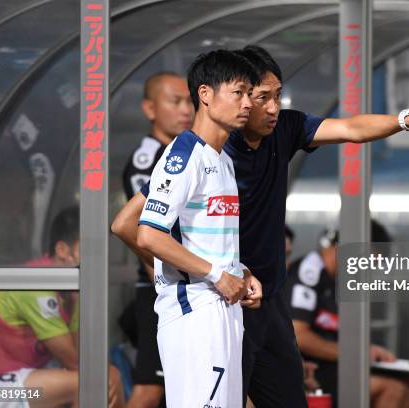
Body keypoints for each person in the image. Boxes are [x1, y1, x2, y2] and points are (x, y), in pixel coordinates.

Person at [111, 45, 409, 407]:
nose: (267, 106)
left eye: (272, 95)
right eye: (254, 95)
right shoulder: (199, 151)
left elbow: (351, 128)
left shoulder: (265, 138)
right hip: (213, 301)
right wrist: (187, 275)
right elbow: (131, 224)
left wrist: (407, 118)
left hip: (261, 295)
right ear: (213, 96)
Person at [134, 49, 262, 407]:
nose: (248, 102)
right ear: (205, 94)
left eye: (250, 93)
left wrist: (241, 273)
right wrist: (216, 274)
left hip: (223, 308)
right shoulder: (185, 152)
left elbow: (212, 244)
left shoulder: (222, 159)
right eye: (238, 92)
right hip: (196, 312)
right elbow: (148, 233)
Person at [0, 207, 124, 408]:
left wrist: (109, 372)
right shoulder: (37, 282)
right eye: (87, 248)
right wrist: (109, 372)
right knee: (86, 384)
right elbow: (74, 362)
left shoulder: (70, 289)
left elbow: (82, 352)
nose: (96, 256)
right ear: (62, 250)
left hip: (19, 379)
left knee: (100, 381)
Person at [121, 71, 194, 408]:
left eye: (190, 102)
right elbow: (137, 228)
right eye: (175, 101)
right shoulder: (148, 158)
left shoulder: (186, 153)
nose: (186, 110)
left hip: (190, 283)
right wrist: (160, 277)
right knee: (150, 389)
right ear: (150, 109)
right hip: (160, 288)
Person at [285, 228, 409, 408]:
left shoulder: (339, 282)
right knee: (392, 388)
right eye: (369, 262)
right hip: (307, 370)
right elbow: (299, 336)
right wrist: (359, 354)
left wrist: (368, 351)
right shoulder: (308, 273)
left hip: (333, 365)